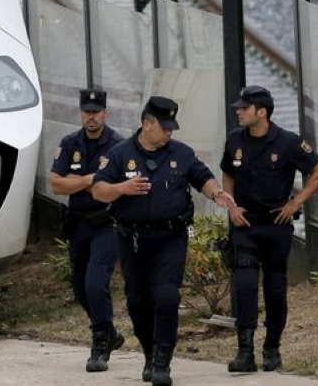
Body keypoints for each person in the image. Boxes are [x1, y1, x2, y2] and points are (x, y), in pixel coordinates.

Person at [92, 96, 236, 386]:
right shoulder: (120, 155)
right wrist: (123, 188)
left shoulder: (181, 153)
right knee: (137, 301)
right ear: (147, 124)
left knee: (167, 296)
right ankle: (149, 351)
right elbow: (98, 190)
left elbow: (202, 177)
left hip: (170, 237)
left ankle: (162, 361)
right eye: (164, 127)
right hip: (131, 240)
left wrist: (216, 193)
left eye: (172, 127)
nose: (169, 132)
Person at [220, 85, 318, 373]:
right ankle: (244, 351)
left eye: (244, 108)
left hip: (276, 226)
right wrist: (231, 207)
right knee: (243, 284)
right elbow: (228, 172)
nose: (239, 112)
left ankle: (272, 347)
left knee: (275, 288)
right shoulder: (234, 140)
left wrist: (296, 202)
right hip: (244, 224)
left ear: (262, 112)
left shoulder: (288, 143)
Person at [49, 88, 126, 373]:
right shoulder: (70, 143)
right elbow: (56, 185)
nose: (91, 117)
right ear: (81, 112)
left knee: (96, 282)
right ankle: (111, 333)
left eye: (96, 112)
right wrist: (91, 179)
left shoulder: (118, 145)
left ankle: (99, 347)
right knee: (80, 287)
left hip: (106, 223)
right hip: (78, 223)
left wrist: (76, 179)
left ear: (105, 113)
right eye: (86, 112)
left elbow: (113, 187)